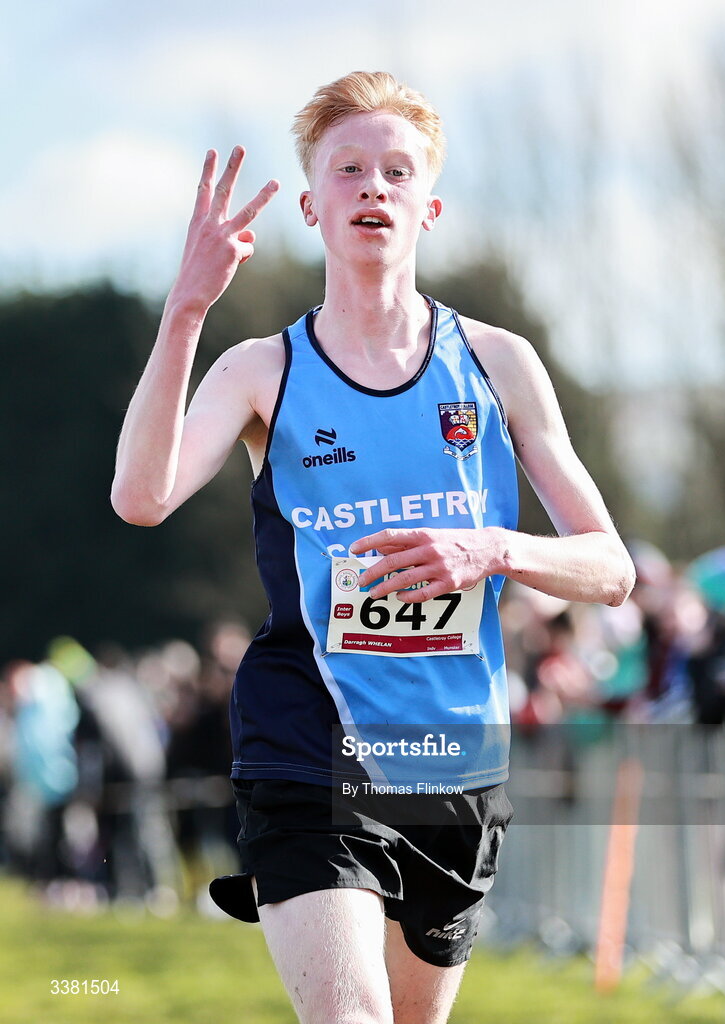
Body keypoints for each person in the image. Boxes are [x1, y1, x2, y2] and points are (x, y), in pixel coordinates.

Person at [111, 71, 635, 1024]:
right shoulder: (263, 369)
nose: (373, 187)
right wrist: (184, 311)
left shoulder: (497, 364)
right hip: (307, 737)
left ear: (428, 206)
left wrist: (493, 548)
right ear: (312, 204)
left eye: (396, 171)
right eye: (348, 169)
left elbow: (611, 569)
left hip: (452, 757)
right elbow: (141, 498)